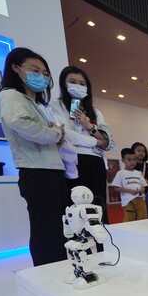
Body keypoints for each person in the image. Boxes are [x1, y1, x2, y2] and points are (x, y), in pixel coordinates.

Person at [0, 47, 68, 267]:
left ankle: (61, 267)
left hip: (52, 170)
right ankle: (48, 274)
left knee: (57, 227)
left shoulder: (37, 104)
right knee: (45, 229)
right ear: (16, 69)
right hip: (37, 171)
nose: (42, 76)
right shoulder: (11, 95)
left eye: (45, 73)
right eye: (34, 70)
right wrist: (55, 134)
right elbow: (19, 123)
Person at [51, 65, 114, 225]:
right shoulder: (56, 105)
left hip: (96, 163)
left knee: (98, 207)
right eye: (72, 81)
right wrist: (95, 141)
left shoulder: (95, 112)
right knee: (76, 209)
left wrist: (89, 126)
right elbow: (66, 134)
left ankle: (101, 244)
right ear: (64, 84)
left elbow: (107, 143)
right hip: (73, 162)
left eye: (82, 83)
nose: (78, 86)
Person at [111, 148, 148, 222]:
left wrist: (142, 190)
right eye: (129, 160)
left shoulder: (138, 173)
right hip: (128, 201)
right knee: (130, 218)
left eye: (134, 160)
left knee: (143, 217)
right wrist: (129, 191)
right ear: (123, 160)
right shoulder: (120, 173)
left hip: (140, 199)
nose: (132, 162)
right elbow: (116, 187)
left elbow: (143, 186)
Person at [131, 142, 148, 218]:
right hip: (135, 193)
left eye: (143, 151)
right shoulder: (131, 165)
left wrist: (145, 182)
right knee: (137, 213)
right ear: (133, 152)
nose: (141, 153)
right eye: (138, 151)